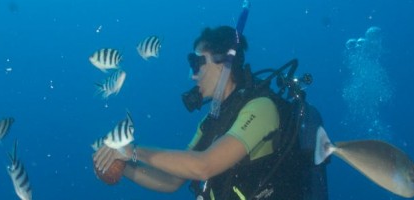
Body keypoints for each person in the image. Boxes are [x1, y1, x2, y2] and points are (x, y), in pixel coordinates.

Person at [94, 26, 327, 200]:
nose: (192, 75)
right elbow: (172, 180)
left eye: (197, 63)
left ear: (224, 62)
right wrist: (120, 165)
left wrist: (132, 151)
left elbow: (204, 165)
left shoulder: (261, 107)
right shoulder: (210, 123)